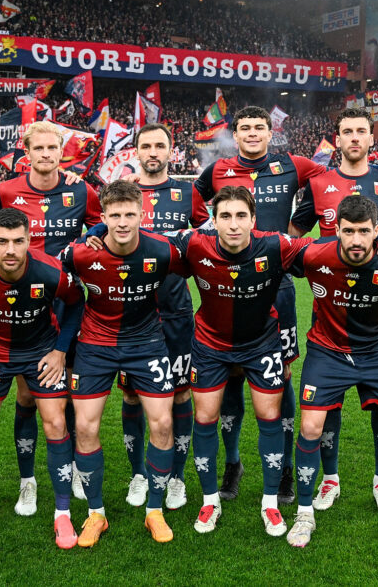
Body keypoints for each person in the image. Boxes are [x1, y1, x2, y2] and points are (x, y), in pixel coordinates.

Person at [193, 105, 378, 506]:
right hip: (229, 282)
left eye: (260, 127)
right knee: (230, 375)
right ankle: (233, 463)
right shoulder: (218, 169)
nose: (253, 134)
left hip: (280, 288)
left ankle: (288, 470)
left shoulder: (296, 166)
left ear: (273, 132)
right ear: (234, 134)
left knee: (286, 374)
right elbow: (185, 200)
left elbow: (345, 172)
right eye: (245, 128)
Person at [288, 107, 378, 514]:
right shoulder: (318, 181)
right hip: (330, 305)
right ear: (337, 138)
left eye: (362, 131)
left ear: (370, 138)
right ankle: (330, 479)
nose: (355, 138)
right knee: (327, 405)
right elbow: (293, 235)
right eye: (348, 132)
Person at [168, 186, 313, 537]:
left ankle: (269, 503)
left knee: (269, 416)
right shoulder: (194, 244)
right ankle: (209, 500)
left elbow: (325, 253)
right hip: (209, 345)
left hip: (261, 344)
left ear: (253, 219)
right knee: (204, 417)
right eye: (226, 217)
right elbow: (142, 240)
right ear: (213, 221)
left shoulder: (275, 245)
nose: (233, 225)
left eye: (241, 216)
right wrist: (97, 232)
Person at [285, 195, 378, 550]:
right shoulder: (314, 254)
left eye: (364, 231)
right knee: (310, 426)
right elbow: (272, 251)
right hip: (327, 351)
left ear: (377, 231)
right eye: (348, 231)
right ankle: (304, 514)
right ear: (336, 230)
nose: (356, 240)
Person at [0, 208, 85, 551]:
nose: (11, 250)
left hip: (41, 354)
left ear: (29, 240)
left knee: (55, 423)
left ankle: (62, 513)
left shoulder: (51, 271)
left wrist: (60, 352)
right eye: (3, 242)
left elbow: (77, 302)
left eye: (19, 241)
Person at [0, 121, 101, 515]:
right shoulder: (5, 191)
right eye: (40, 148)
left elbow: (103, 220)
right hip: (20, 307)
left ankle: (69, 469)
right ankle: (27, 481)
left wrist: (88, 242)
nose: (48, 155)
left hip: (66, 302)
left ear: (62, 152)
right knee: (28, 395)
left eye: (54, 148)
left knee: (63, 387)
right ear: (26, 152)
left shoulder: (80, 189)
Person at [59, 180, 185, 546]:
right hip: (95, 344)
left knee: (162, 423)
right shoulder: (81, 254)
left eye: (130, 214)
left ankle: (154, 511)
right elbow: (53, 278)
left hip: (147, 343)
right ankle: (96, 514)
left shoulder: (162, 251)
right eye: (115, 216)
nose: (123, 222)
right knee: (84, 428)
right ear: (103, 217)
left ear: (142, 214)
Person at [118, 123, 209, 511]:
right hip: (131, 314)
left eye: (160, 145)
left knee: (182, 391)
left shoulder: (188, 193)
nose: (153, 151)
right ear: (135, 151)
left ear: (171, 152)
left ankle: (175, 477)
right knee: (131, 393)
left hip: (175, 312)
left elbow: (207, 237)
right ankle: (139, 473)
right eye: (146, 145)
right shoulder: (123, 193)